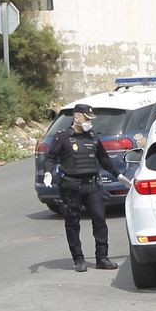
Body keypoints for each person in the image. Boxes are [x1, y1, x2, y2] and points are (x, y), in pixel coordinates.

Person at [41, 104, 121, 272]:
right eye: (86, 118)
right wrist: (48, 172)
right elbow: (50, 157)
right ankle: (78, 259)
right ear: (77, 117)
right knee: (72, 222)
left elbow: (104, 159)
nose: (89, 123)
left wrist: (118, 175)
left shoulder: (92, 136)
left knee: (99, 219)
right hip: (71, 186)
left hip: (92, 185)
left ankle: (102, 258)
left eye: (91, 120)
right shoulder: (62, 136)